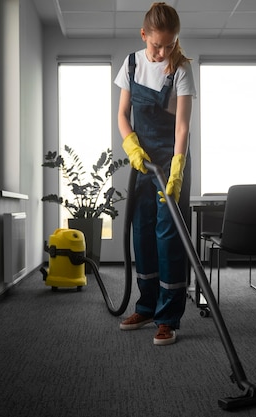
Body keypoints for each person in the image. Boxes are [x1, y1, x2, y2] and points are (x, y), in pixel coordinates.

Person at [113, 2, 196, 346]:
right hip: (141, 165)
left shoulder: (180, 69)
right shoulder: (131, 64)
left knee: (169, 238)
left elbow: (182, 127)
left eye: (170, 45)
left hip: (170, 163)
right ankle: (146, 307)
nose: (163, 52)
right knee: (142, 233)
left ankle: (168, 318)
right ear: (143, 35)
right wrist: (131, 146)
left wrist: (176, 170)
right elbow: (122, 114)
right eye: (156, 45)